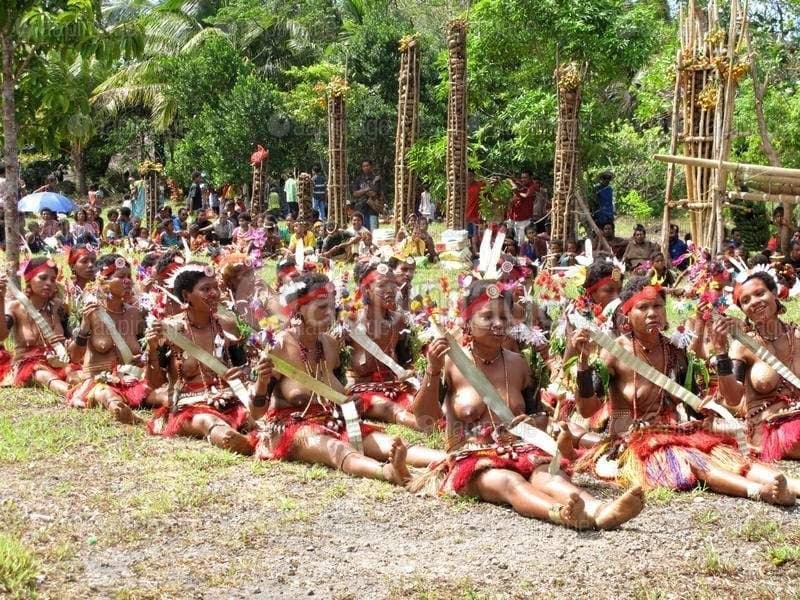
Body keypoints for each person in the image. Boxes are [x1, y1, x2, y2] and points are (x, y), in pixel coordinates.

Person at [410, 279, 645, 529]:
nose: (499, 324)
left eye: (504, 316)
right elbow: (425, 419)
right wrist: (432, 373)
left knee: (551, 479)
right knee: (509, 482)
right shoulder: (449, 363)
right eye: (487, 317)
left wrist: (532, 422)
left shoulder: (520, 363)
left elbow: (541, 416)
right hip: (472, 458)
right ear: (467, 321)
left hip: (521, 451)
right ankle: (560, 513)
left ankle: (601, 510)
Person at [571, 276, 797, 505]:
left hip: (675, 432)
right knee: (695, 461)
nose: (652, 313)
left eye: (658, 306)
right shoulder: (614, 352)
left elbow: (695, 406)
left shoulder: (675, 352)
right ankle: (759, 492)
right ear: (627, 314)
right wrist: (583, 364)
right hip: (633, 442)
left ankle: (793, 487)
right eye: (643, 307)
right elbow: (588, 410)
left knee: (728, 455)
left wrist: (712, 416)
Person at [252, 272, 433, 485]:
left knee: (388, 443)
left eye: (332, 307)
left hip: (334, 421)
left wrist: (350, 403)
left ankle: (447, 460)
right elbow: (257, 413)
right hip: (292, 428)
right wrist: (262, 382)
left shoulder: (330, 344)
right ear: (299, 308)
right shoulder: (279, 346)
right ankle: (388, 472)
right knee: (338, 449)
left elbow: (339, 391)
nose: (330, 314)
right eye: (321, 308)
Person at [145, 263, 261, 454]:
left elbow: (244, 368)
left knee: (258, 419)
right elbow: (153, 382)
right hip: (189, 407)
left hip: (229, 400)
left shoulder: (227, 325)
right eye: (206, 289)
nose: (214, 293)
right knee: (210, 422)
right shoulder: (170, 330)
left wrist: (242, 373)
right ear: (185, 295)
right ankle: (238, 442)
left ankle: (248, 437)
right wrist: (151, 348)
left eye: (216, 287)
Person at [713, 272, 800, 465]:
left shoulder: (798, 336)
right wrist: (720, 352)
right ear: (743, 310)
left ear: (775, 293)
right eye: (745, 300)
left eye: (760, 293)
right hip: (769, 430)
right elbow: (733, 398)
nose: (754, 302)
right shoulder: (742, 346)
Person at [66, 254, 165, 424]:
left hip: (132, 381)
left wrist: (145, 355)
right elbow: (74, 357)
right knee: (105, 394)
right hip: (99, 382)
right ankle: (119, 409)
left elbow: (145, 351)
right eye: (120, 276)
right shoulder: (91, 312)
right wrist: (84, 327)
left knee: (163, 395)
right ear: (103, 282)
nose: (128, 281)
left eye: (129, 276)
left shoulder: (135, 314)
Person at [344, 261, 420, 429]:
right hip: (361, 391)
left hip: (393, 387)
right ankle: (430, 427)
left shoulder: (399, 320)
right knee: (391, 409)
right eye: (382, 285)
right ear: (365, 290)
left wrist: (410, 372)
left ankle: (439, 424)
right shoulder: (350, 322)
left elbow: (406, 360)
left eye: (393, 284)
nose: (390, 290)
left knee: (420, 404)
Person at [0, 258, 74, 395]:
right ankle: (73, 394)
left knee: (74, 373)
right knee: (42, 375)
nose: (49, 283)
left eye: (52, 280)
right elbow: (1, 336)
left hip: (57, 361)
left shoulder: (59, 307)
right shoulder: (15, 307)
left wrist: (67, 344)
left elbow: (71, 339)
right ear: (29, 280)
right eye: (43, 278)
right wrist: (0, 299)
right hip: (27, 365)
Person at [507, 171, 539, 243]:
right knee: (516, 240)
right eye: (522, 178)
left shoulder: (533, 186)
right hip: (515, 219)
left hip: (525, 220)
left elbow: (526, 196)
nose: (523, 179)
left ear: (531, 178)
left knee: (522, 241)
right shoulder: (521, 187)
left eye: (525, 177)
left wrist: (516, 192)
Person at [350, 160, 383, 231]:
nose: (366, 167)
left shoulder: (376, 179)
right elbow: (355, 193)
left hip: (373, 209)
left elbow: (374, 193)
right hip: (361, 209)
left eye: (367, 165)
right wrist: (367, 189)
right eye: (364, 166)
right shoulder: (359, 179)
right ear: (362, 168)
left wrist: (361, 191)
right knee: (361, 231)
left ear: (371, 167)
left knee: (374, 231)